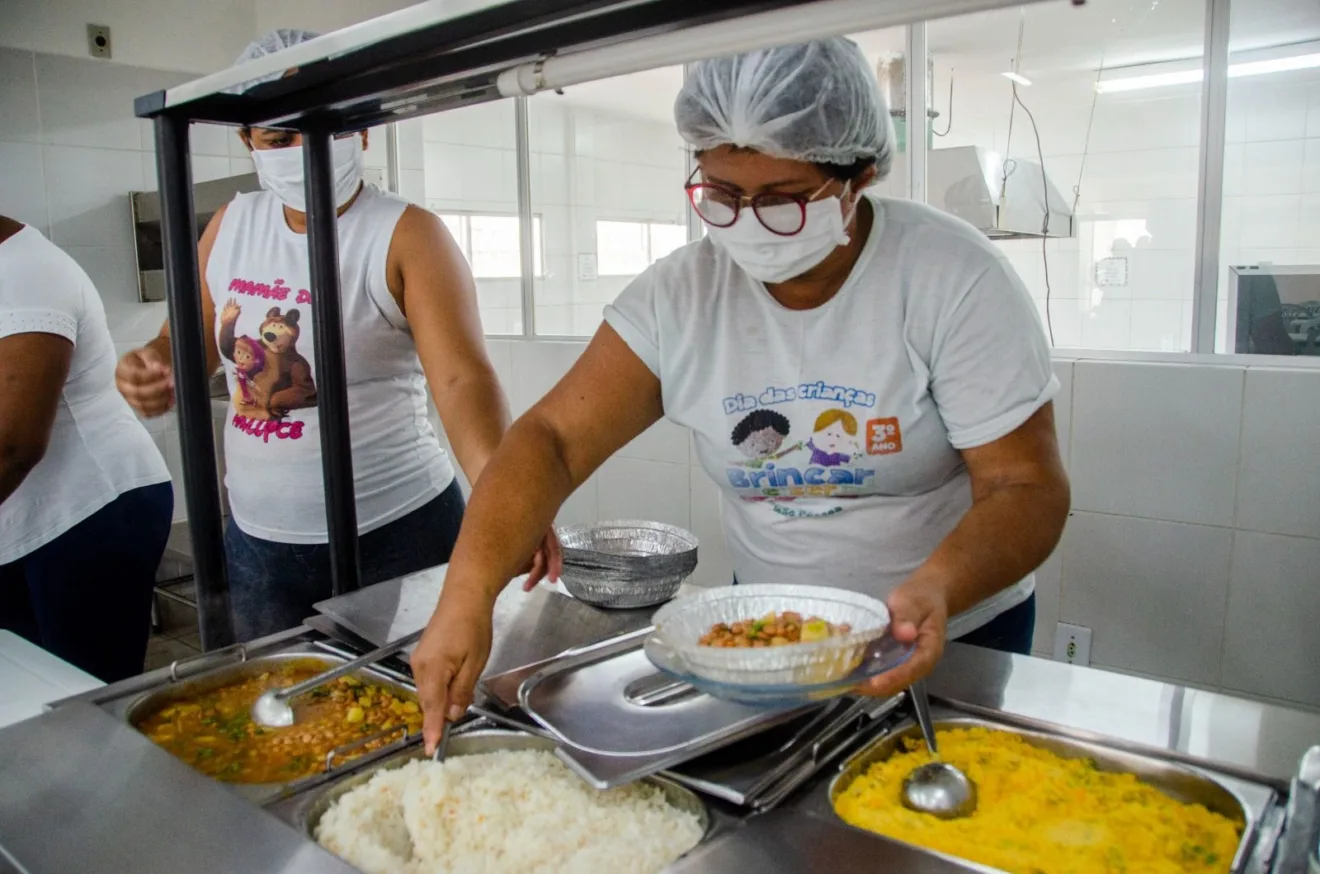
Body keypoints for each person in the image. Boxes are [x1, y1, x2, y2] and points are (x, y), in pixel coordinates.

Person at [410, 37, 1070, 752]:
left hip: (953, 633)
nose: (748, 223)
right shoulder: (682, 295)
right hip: (768, 640)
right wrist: (467, 596)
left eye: (782, 199)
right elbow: (553, 441)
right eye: (721, 195)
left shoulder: (951, 277)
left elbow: (1024, 486)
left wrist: (935, 588)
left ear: (859, 177)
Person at [116, 30, 558, 642]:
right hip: (256, 540)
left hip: (396, 532)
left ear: (365, 131)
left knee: (411, 707)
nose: (302, 152)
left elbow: (461, 380)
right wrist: (153, 364)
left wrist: (504, 495)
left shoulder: (406, 235)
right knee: (280, 717)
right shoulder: (231, 224)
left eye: (325, 131)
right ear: (248, 140)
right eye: (278, 137)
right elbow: (186, 341)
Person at [0, 215, 174, 682]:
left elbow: (11, 446)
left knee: (85, 698)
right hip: (23, 522)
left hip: (86, 514)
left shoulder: (24, 274)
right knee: (28, 691)